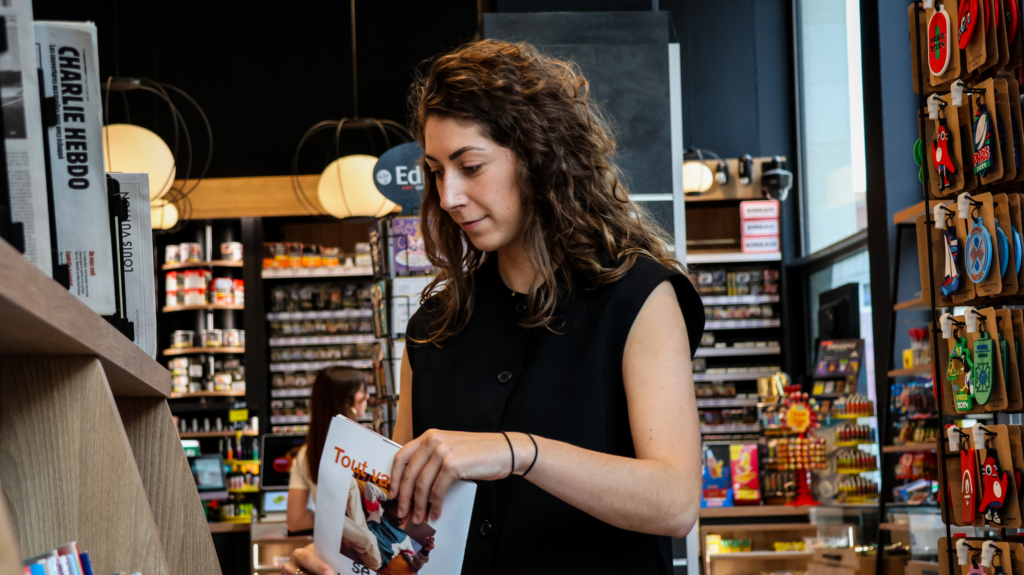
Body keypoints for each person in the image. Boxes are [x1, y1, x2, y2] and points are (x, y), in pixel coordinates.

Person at [284, 39, 703, 575]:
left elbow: (675, 502)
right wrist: (346, 565)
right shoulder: (433, 329)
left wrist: (517, 452)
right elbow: (407, 531)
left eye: (470, 166)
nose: (449, 196)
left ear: (539, 158)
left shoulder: (637, 298)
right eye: (437, 171)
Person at [286, 367, 370, 533]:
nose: (367, 396)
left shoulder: (306, 454)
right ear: (346, 401)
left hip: (333, 544)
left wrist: (333, 519)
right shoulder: (367, 444)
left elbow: (295, 521)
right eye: (362, 391)